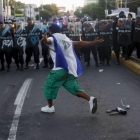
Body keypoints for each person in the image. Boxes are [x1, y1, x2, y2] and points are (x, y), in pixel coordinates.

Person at [41, 24, 104, 114]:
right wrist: (93, 43)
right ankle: (90, 99)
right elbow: (80, 43)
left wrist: (45, 40)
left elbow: (49, 41)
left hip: (60, 68)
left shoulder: (53, 37)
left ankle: (50, 107)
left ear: (50, 31)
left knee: (49, 85)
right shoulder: (66, 38)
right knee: (74, 88)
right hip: (71, 69)